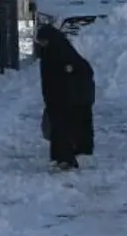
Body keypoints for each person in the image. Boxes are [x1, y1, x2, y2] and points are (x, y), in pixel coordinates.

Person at [35, 23, 95, 170]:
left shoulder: (61, 52)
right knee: (59, 129)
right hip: (56, 98)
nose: (42, 44)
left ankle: (65, 158)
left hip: (67, 98)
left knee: (63, 129)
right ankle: (61, 157)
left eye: (43, 41)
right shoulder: (49, 53)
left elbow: (82, 71)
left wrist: (70, 73)